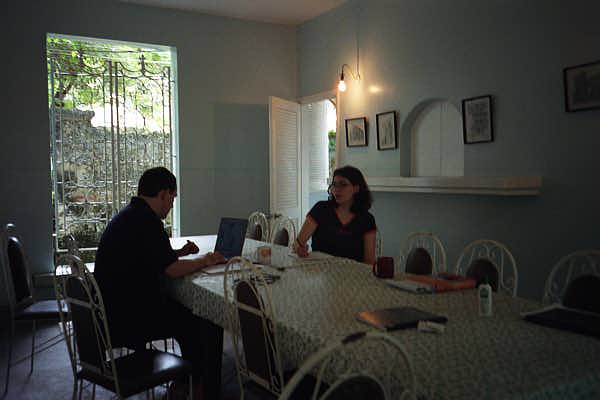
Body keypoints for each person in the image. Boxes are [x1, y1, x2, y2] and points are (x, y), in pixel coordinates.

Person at [94, 167, 226, 400]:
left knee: (185, 312)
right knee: (198, 318)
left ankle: (187, 381)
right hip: (126, 320)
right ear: (163, 194)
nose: (172, 205)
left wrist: (181, 252)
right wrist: (205, 260)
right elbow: (172, 270)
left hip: (109, 313)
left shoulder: (131, 215)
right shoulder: (148, 222)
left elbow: (151, 256)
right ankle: (199, 387)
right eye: (173, 198)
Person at [293, 165, 377, 265]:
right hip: (319, 269)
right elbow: (297, 243)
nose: (337, 189)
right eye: (334, 184)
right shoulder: (320, 209)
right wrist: (299, 249)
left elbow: (369, 261)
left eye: (343, 184)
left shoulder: (367, 219)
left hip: (351, 272)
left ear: (356, 189)